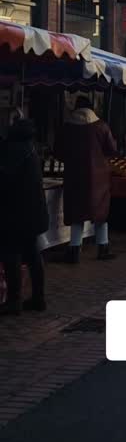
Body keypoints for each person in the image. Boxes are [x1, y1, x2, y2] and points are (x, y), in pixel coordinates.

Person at [0, 116, 48, 314]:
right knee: (32, 253)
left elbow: (5, 178)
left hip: (17, 213)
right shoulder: (29, 147)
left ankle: (14, 301)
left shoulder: (14, 150)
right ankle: (38, 298)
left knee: (11, 254)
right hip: (32, 212)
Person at [61, 96, 118, 263]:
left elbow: (58, 150)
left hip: (74, 176)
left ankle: (74, 249)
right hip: (98, 178)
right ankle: (103, 247)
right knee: (101, 214)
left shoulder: (67, 127)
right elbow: (112, 149)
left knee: (77, 213)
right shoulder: (101, 126)